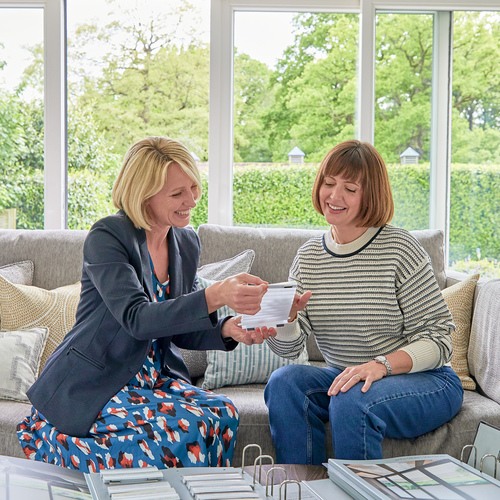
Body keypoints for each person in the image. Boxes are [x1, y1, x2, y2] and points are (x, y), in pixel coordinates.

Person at [17, 136, 274, 472]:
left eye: (194, 187)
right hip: (99, 381)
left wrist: (227, 329)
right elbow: (138, 319)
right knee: (177, 429)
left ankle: (198, 494)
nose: (192, 200)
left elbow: (177, 326)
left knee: (222, 411)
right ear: (144, 194)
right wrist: (217, 295)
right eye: (177, 193)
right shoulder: (108, 237)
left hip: (152, 380)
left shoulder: (185, 241)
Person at [264, 139, 463, 464]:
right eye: (328, 183)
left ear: (370, 196)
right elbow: (290, 353)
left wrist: (380, 365)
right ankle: (302, 490)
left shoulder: (400, 248)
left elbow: (440, 341)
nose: (334, 196)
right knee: (284, 383)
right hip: (348, 376)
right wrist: (284, 321)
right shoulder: (309, 257)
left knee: (353, 398)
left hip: (425, 380)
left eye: (350, 188)